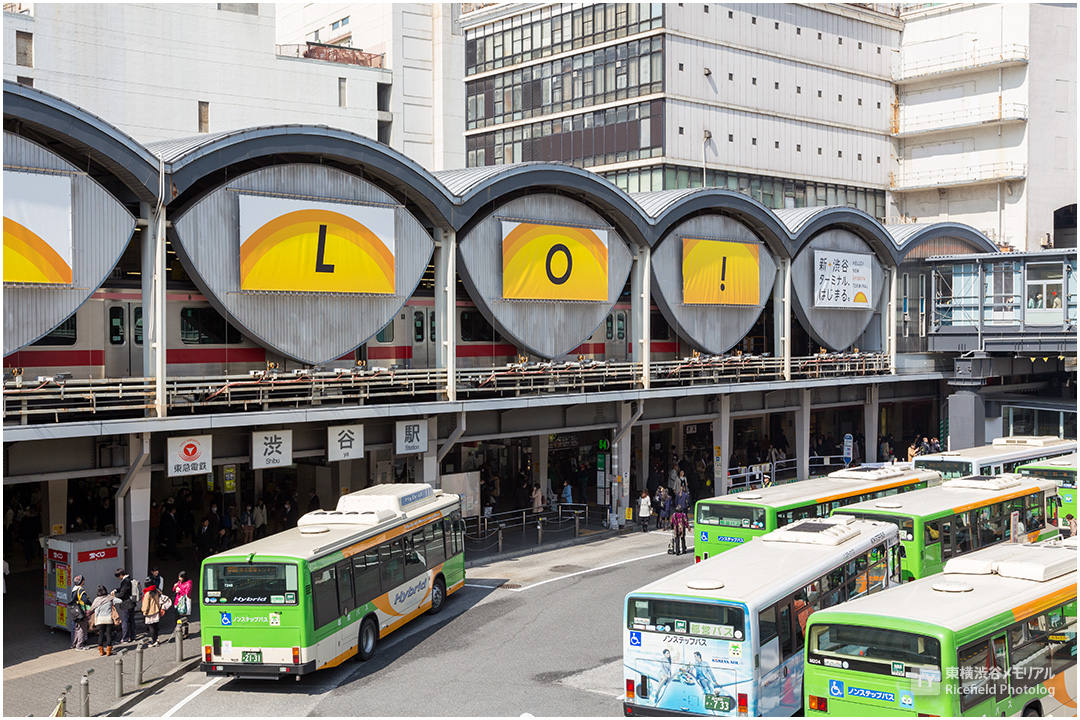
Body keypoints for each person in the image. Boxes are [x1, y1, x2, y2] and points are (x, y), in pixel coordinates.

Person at [89, 585, 121, 656]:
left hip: (100, 620)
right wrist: (114, 596)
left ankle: (101, 651)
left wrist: (96, 621)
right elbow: (120, 601)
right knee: (108, 634)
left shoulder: (97, 600)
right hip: (108, 619)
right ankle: (109, 651)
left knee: (100, 635)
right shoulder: (110, 598)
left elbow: (93, 610)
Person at [113, 568, 136, 643]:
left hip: (126, 603)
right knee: (131, 620)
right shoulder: (129, 579)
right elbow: (123, 589)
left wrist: (115, 596)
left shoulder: (125, 582)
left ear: (120, 575)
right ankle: (133, 636)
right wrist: (116, 590)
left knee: (125, 621)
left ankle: (125, 638)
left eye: (118, 576)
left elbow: (122, 593)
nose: (118, 578)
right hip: (131, 602)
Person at [141, 575, 164, 646]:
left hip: (149, 612)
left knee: (151, 627)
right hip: (156, 610)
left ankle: (153, 641)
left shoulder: (147, 593)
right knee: (155, 626)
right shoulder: (156, 591)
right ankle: (156, 639)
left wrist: (144, 611)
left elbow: (145, 604)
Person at [70, 575, 91, 650]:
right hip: (81, 611)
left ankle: (74, 644)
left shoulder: (74, 590)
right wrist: (90, 604)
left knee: (76, 628)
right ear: (81, 581)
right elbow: (85, 600)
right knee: (82, 628)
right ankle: (79, 645)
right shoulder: (81, 590)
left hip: (75, 611)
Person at [173, 571, 193, 639]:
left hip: (184, 602)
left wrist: (180, 590)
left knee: (184, 618)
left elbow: (187, 594)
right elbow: (174, 590)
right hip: (177, 601)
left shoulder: (188, 583)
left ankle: (186, 633)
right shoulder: (179, 582)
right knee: (177, 617)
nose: (179, 579)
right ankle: (179, 631)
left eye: (180, 577)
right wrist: (175, 587)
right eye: (179, 577)